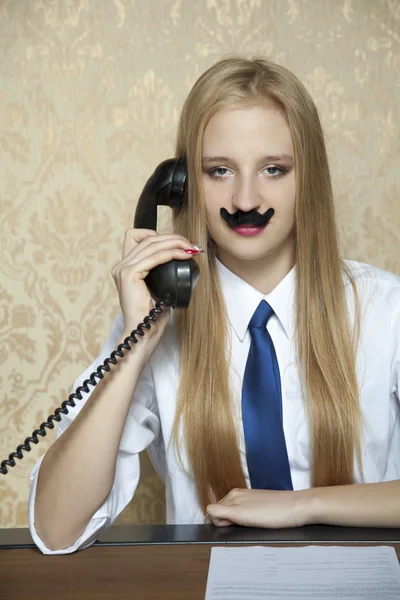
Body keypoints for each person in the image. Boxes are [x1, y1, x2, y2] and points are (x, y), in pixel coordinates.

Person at [29, 56, 400, 555]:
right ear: (181, 184)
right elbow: (56, 530)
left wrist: (303, 505)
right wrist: (134, 345)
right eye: (219, 171)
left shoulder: (384, 307)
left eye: (274, 169)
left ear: (307, 179)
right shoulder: (154, 320)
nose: (246, 198)